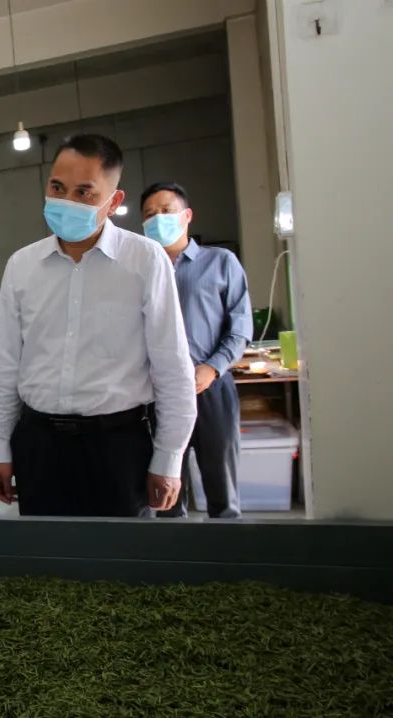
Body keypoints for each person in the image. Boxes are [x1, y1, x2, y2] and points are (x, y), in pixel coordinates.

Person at [0, 134, 197, 517]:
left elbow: (172, 367)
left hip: (118, 446)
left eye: (84, 192)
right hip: (39, 446)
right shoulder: (22, 266)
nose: (67, 201)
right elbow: (5, 365)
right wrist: (0, 449)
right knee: (45, 551)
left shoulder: (144, 260)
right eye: (57, 188)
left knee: (122, 552)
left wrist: (169, 458)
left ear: (113, 202)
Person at [141, 182, 253, 518]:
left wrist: (213, 368)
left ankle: (227, 541)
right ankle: (174, 545)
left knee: (222, 483)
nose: (157, 219)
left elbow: (240, 327)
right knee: (166, 490)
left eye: (166, 211)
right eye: (149, 214)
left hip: (211, 388)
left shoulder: (221, 262)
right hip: (158, 395)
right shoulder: (141, 272)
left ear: (187, 215)